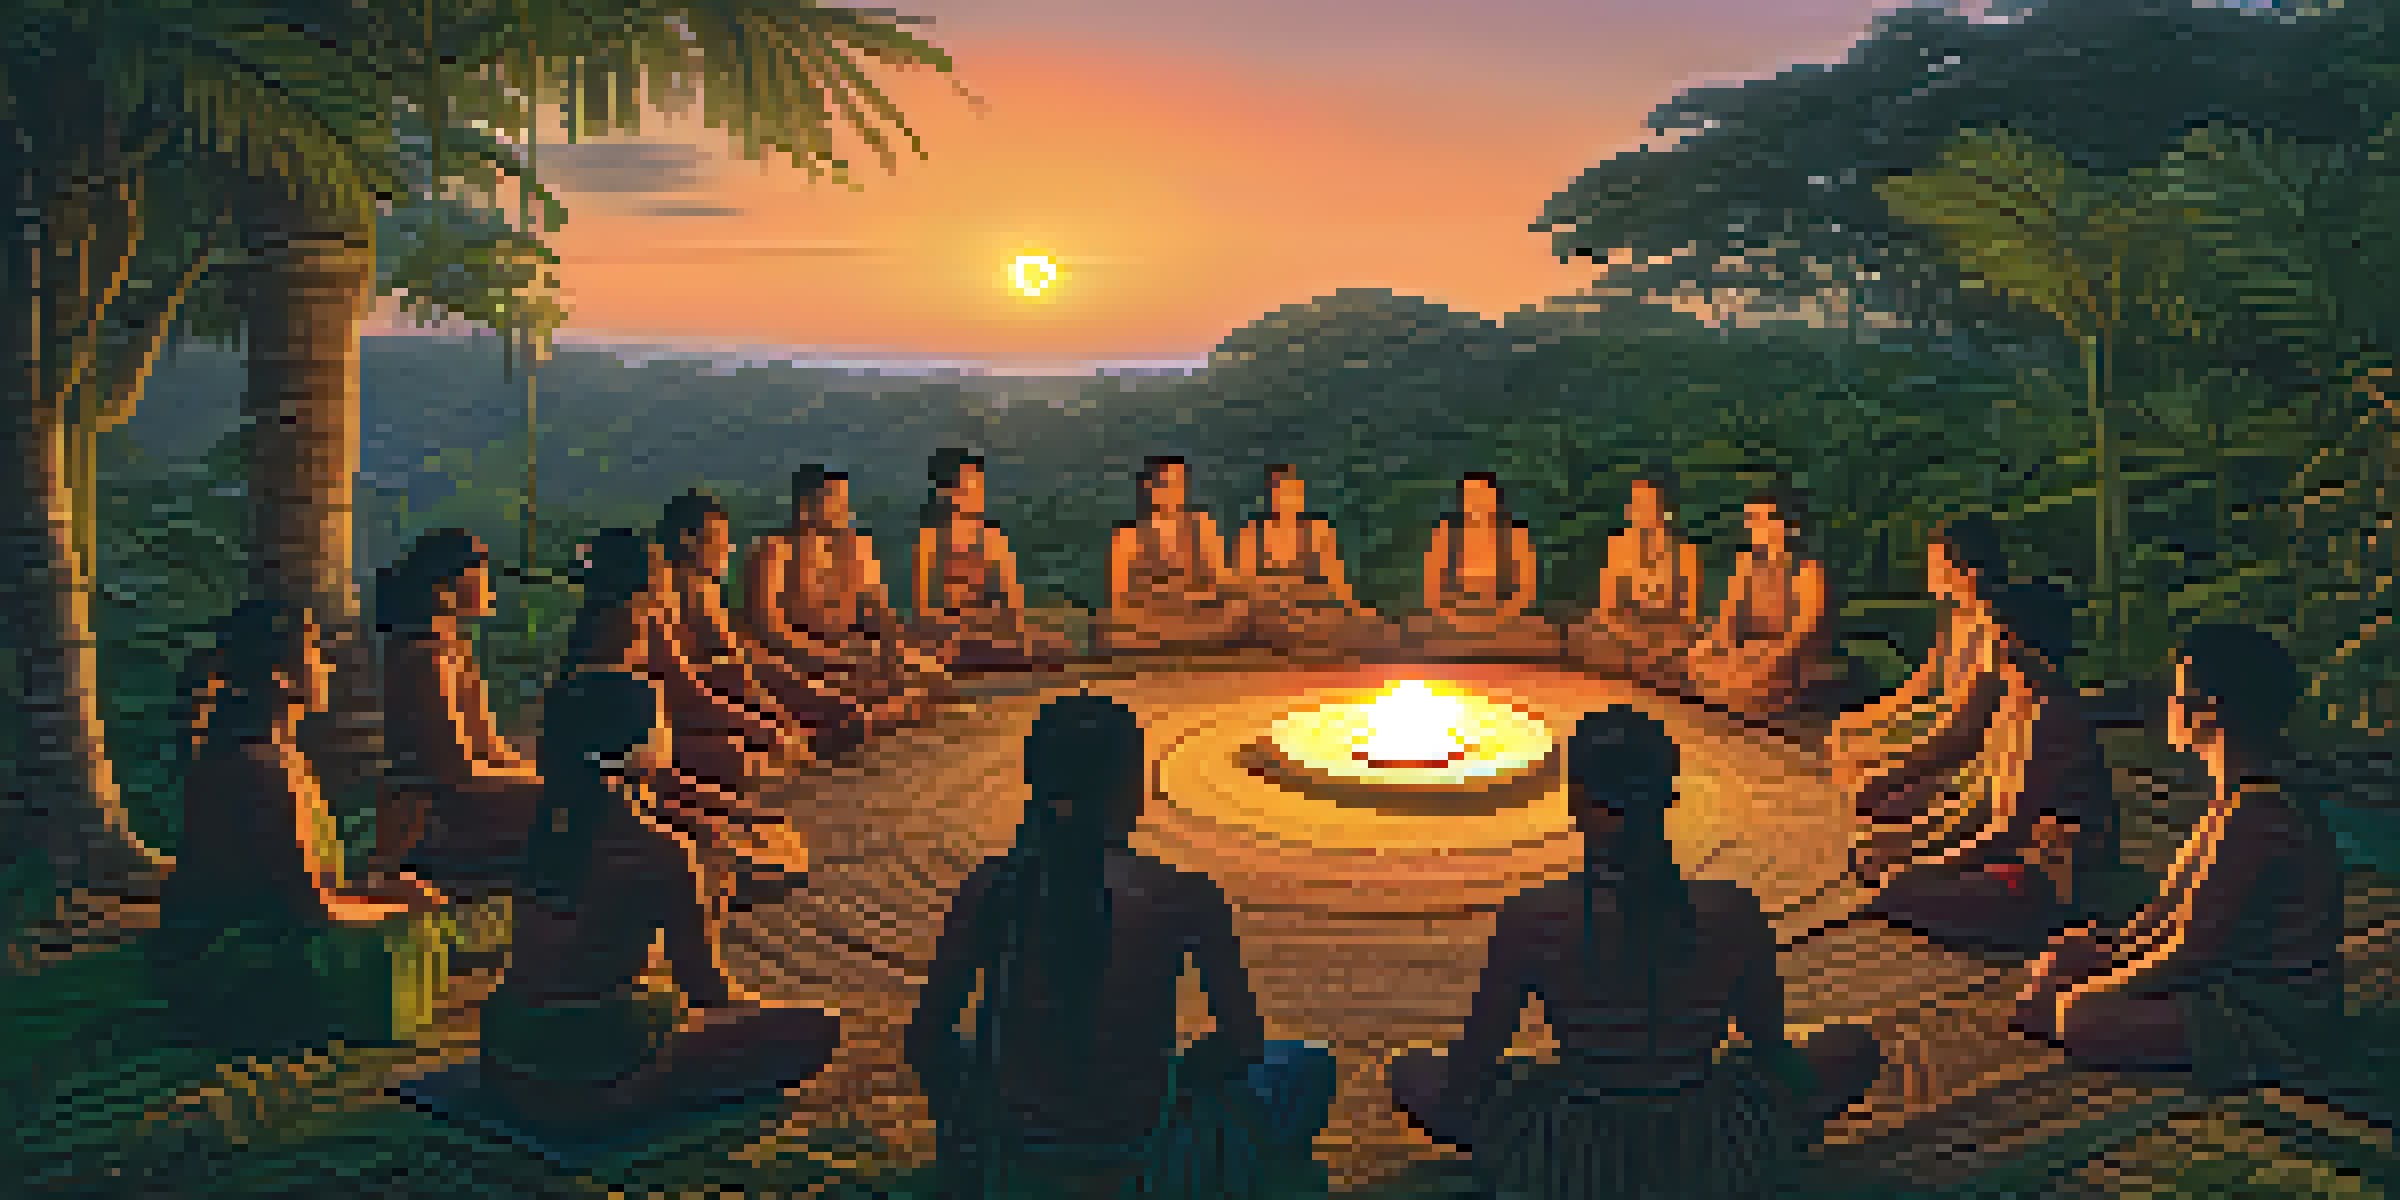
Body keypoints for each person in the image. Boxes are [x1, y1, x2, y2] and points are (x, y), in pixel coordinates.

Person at [1388, 707, 1882, 1198]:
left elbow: (1473, 1066)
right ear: (1671, 795)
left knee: (1410, 1071)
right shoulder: (1731, 908)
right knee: (1854, 1050)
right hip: (1706, 1143)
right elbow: (1769, 1048)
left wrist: (1484, 1093)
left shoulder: (1534, 913)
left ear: (1575, 802)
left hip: (1573, 1150)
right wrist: (1795, 1096)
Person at [905, 695, 1336, 1199]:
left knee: (966, 1051)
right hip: (1137, 1156)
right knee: (1306, 1066)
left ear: (1033, 785)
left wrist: (972, 1115)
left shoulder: (989, 889)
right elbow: (1242, 1046)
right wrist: (1180, 1072)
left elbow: (927, 1040)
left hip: (1014, 1148)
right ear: (1134, 790)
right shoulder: (1184, 896)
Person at [481, 669, 841, 1137]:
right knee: (816, 1029)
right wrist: (710, 903)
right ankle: (640, 1089)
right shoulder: (661, 852)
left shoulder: (544, 822)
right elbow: (708, 993)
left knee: (647, 995)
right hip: (578, 1088)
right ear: (642, 748)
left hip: (502, 1066)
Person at [2011, 625, 2345, 1092]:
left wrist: (2099, 990)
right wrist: (2108, 954)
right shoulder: (2235, 798)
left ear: (2206, 709)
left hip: (2265, 1010)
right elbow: (2165, 914)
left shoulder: (2256, 815)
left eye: (2175, 689)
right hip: (2213, 974)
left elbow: (2190, 950)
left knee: (2082, 1016)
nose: (2165, 702)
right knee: (2065, 955)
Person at [153, 600, 451, 1050]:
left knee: (412, 902)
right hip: (235, 965)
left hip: (260, 930)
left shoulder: (280, 755)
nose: (327, 667)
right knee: (406, 932)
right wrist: (396, 910)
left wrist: (384, 888)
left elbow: (300, 882)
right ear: (282, 678)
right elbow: (312, 908)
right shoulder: (262, 766)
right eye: (315, 654)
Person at [1849, 577, 2117, 952]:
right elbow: (1981, 799)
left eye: (1990, 635)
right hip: (2002, 847)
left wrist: (1926, 867)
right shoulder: (2015, 696)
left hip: (2048, 874)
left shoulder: (2050, 717)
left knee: (1897, 892)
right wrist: (1911, 843)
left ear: (2013, 643)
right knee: (1875, 852)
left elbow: (2005, 829)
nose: (1982, 646)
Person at [560, 528, 809, 919]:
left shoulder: (627, 661)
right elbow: (610, 797)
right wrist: (708, 824)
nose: (669, 590)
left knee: (776, 842)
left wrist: (728, 810)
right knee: (751, 860)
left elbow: (650, 776)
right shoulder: (606, 684)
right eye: (661, 580)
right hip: (599, 835)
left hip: (631, 809)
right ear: (639, 596)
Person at [371, 529, 545, 901]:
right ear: (447, 586)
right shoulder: (425, 654)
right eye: (480, 571)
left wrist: (541, 776)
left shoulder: (451, 646)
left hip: (466, 794)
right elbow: (454, 773)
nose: (489, 582)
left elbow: (492, 749)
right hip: (434, 813)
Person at [657, 490, 872, 759]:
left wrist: (806, 683)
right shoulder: (688, 589)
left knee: (841, 708)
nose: (727, 550)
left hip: (726, 694)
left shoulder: (698, 587)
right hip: (703, 706)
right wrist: (780, 718)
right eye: (719, 541)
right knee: (834, 719)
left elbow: (744, 655)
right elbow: (728, 671)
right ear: (689, 541)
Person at [743, 465, 945, 726]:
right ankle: (857, 719)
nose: (844, 508)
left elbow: (878, 611)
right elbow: (768, 627)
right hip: (798, 660)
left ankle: (879, 709)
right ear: (806, 506)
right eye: (835, 501)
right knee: (859, 693)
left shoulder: (857, 548)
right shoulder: (774, 552)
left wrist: (892, 652)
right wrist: (831, 656)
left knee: (934, 678)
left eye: (845, 499)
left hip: (853, 649)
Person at [1686, 487, 1844, 720]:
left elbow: (1802, 634)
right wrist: (1719, 646)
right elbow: (1729, 617)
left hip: (1789, 660)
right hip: (1748, 652)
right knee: (1699, 658)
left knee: (1755, 676)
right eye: (1750, 519)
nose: (1752, 526)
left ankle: (1744, 697)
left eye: (1760, 519)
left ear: (1785, 526)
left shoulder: (1807, 571)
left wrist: (1766, 654)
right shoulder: (1747, 563)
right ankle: (1730, 692)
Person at [912, 449, 1076, 671]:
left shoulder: (992, 539)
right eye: (968, 488)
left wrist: (1003, 628)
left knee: (1054, 643)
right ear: (948, 492)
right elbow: (924, 611)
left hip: (990, 632)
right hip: (950, 637)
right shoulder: (930, 542)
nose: (976, 494)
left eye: (978, 486)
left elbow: (1013, 602)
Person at [1231, 464, 1396, 660]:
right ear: (1271, 496)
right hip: (1270, 607)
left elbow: (1336, 580)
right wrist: (1278, 592)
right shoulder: (1252, 534)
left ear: (1300, 494)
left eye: (1293, 491)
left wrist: (1356, 607)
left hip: (1311, 605)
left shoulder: (1318, 530)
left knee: (1366, 623)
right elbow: (1243, 584)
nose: (1287, 498)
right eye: (1280, 492)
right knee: (1259, 616)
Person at [1095, 454, 1251, 657]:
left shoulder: (1202, 526)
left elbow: (1223, 582)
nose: (1171, 492)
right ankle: (1183, 641)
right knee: (1110, 624)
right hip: (1150, 615)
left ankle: (1179, 640)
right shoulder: (1127, 536)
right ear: (1149, 487)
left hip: (1195, 611)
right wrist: (1158, 595)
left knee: (1237, 609)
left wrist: (1190, 594)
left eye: (1178, 484)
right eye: (1164, 484)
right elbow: (1118, 598)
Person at [1404, 472, 1563, 660]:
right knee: (1417, 628)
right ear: (1461, 501)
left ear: (1495, 499)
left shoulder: (1515, 535)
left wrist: (1500, 618)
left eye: (1482, 494)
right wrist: (1454, 618)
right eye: (1470, 496)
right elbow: (1432, 590)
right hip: (1456, 612)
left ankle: (1483, 646)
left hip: (1502, 612)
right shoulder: (1445, 534)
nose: (1476, 502)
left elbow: (1526, 591)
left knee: (1541, 632)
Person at [1568, 472, 1705, 690]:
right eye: (1635, 501)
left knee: (1687, 650)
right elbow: (1606, 607)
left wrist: (1659, 634)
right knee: (1585, 632)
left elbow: (1689, 616)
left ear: (1664, 509)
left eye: (1646, 502)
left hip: (1665, 635)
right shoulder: (1619, 545)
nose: (1638, 509)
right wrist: (1627, 630)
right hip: (1623, 631)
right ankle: (1637, 669)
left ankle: (1649, 672)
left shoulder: (1685, 552)